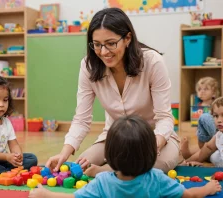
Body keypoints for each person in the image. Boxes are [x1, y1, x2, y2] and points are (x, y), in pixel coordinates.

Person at [45, 7, 181, 177]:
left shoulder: (152, 62)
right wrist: (64, 154)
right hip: (115, 138)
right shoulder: (88, 66)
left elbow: (164, 118)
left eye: (111, 43)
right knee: (81, 165)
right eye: (97, 45)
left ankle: (108, 171)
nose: (103, 52)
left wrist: (153, 146)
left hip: (154, 138)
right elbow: (82, 119)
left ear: (127, 38)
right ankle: (113, 170)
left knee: (155, 166)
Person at [29, 116, 222, 198]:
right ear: (150, 154)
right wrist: (206, 188)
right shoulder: (156, 178)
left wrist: (45, 194)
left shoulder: (103, 182)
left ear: (110, 156)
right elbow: (188, 195)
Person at [182, 97, 223, 167]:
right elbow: (208, 148)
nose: (219, 120)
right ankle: (190, 156)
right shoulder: (219, 135)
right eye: (216, 116)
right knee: (214, 156)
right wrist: (187, 162)